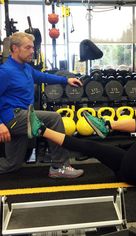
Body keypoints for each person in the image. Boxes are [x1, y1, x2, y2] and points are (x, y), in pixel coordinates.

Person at [0, 32, 84, 178]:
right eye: (28, 47)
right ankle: (59, 166)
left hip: (23, 118)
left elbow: (43, 76)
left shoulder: (25, 68)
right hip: (14, 117)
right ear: (14, 48)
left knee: (12, 165)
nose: (33, 51)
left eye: (33, 48)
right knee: (54, 118)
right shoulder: (5, 72)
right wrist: (0, 124)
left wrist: (66, 80)